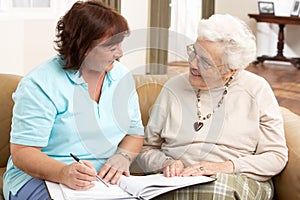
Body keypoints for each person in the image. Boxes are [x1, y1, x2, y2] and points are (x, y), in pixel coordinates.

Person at [137, 14, 288, 199]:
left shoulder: (256, 89)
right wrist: (165, 162)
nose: (192, 64)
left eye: (205, 61)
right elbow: (146, 149)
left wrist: (226, 167)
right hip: (175, 181)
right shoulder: (173, 88)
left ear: (230, 70)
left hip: (236, 178)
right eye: (194, 52)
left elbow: (276, 156)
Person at [3, 1, 144, 199]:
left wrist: (123, 156)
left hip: (102, 183)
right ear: (85, 47)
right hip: (39, 179)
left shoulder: (121, 77)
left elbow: (134, 134)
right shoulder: (40, 83)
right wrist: (63, 173)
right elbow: (23, 152)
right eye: (112, 46)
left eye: (121, 44)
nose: (120, 53)